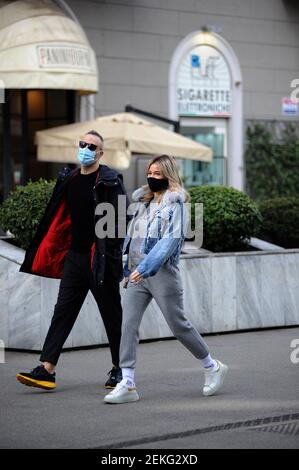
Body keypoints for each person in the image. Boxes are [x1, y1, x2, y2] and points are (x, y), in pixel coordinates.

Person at [104, 154, 228, 404]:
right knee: (127, 325)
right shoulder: (142, 203)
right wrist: (128, 268)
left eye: (157, 173)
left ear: (168, 175)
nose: (151, 177)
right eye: (149, 173)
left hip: (161, 273)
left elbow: (170, 242)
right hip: (137, 272)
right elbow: (132, 237)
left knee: (178, 325)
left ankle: (212, 366)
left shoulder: (176, 205)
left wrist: (147, 267)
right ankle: (127, 382)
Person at [17, 130, 129, 391]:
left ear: (100, 153)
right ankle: (47, 368)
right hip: (75, 258)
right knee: (63, 311)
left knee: (111, 315)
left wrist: (110, 253)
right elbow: (59, 216)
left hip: (100, 258)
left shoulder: (110, 181)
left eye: (92, 146)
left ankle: (120, 368)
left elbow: (120, 220)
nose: (86, 148)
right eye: (83, 144)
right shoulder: (70, 178)